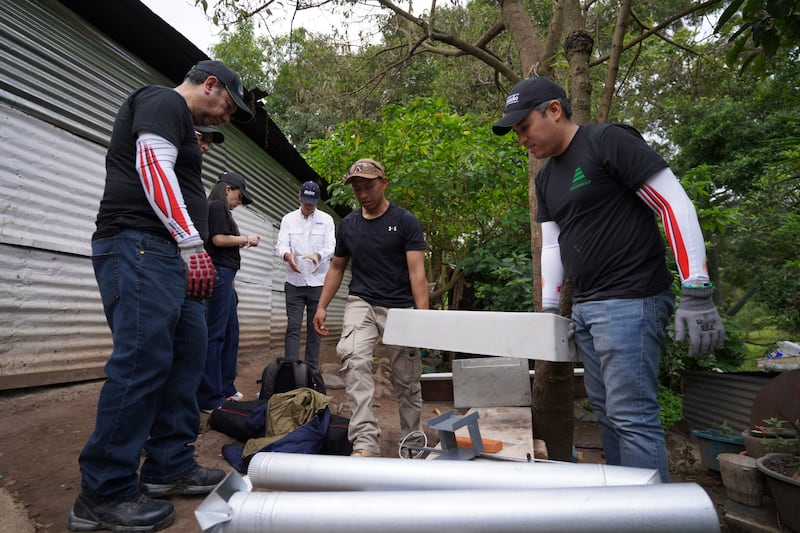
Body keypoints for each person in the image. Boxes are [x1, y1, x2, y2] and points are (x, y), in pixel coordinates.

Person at [492, 77, 725, 482]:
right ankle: (623, 505)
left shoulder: (607, 142)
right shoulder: (545, 179)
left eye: (524, 126)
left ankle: (649, 519)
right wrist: (550, 310)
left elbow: (672, 203)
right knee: (609, 415)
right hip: (586, 308)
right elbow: (552, 245)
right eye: (515, 132)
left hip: (631, 300)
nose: (521, 139)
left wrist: (697, 287)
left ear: (553, 109)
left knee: (631, 417)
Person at [68, 59, 253, 532]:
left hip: (169, 253)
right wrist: (192, 243)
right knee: (142, 359)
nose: (225, 118)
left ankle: (169, 463)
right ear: (210, 84)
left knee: (188, 353)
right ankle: (103, 491)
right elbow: (152, 167)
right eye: (228, 107)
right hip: (139, 244)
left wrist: (186, 248)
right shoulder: (161, 100)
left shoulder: (181, 121)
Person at [313, 158, 429, 457]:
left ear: (383, 183)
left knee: (406, 377)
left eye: (368, 186)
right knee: (353, 358)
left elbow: (417, 273)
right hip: (361, 302)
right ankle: (365, 442)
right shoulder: (349, 225)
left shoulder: (405, 222)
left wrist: (424, 318)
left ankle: (412, 441)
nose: (363, 193)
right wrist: (322, 306)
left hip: (400, 306)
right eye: (357, 188)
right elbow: (337, 268)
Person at [197, 171, 260, 412]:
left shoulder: (222, 210)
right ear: (227, 189)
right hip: (218, 275)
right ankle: (210, 397)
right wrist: (246, 238)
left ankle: (225, 387)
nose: (239, 203)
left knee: (230, 334)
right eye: (239, 197)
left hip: (226, 277)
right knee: (215, 335)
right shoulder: (216, 207)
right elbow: (219, 240)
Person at [275, 181, 336, 368]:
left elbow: (331, 247)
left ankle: (311, 371)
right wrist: (288, 255)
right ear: (299, 197)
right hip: (294, 282)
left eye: (313, 202)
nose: (309, 206)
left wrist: (319, 256)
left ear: (317, 200)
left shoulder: (326, 220)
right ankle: (290, 370)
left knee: (314, 328)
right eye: (306, 201)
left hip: (318, 283)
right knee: (293, 327)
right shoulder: (288, 219)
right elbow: (281, 244)